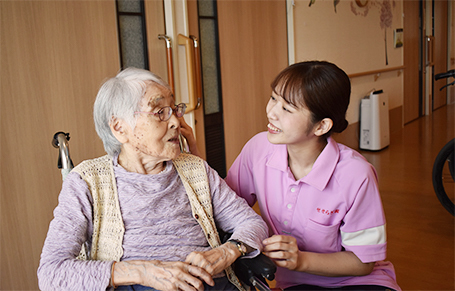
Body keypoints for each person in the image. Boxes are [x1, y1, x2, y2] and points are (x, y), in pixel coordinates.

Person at [38, 67, 268, 291]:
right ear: (120, 128)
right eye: (159, 112)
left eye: (174, 109)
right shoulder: (87, 182)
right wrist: (144, 272)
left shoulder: (195, 170)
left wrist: (227, 252)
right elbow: (52, 274)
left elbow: (252, 223)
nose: (176, 122)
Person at [223, 61, 401, 290]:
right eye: (274, 98)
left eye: (287, 109)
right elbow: (225, 208)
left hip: (360, 282)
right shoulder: (258, 149)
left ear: (321, 126)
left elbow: (363, 262)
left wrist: (301, 260)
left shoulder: (357, 175)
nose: (271, 112)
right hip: (296, 284)